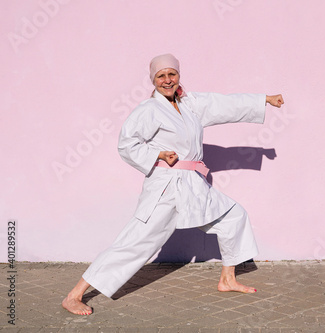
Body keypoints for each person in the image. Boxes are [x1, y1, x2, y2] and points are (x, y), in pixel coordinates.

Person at [62, 53, 284, 315]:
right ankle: (74, 296)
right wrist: (157, 154)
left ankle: (227, 279)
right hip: (166, 186)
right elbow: (127, 144)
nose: (167, 80)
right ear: (153, 80)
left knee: (233, 217)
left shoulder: (189, 104)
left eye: (172, 74)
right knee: (136, 242)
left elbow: (222, 104)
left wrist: (264, 100)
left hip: (193, 184)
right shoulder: (149, 110)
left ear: (178, 75)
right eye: (161, 76)